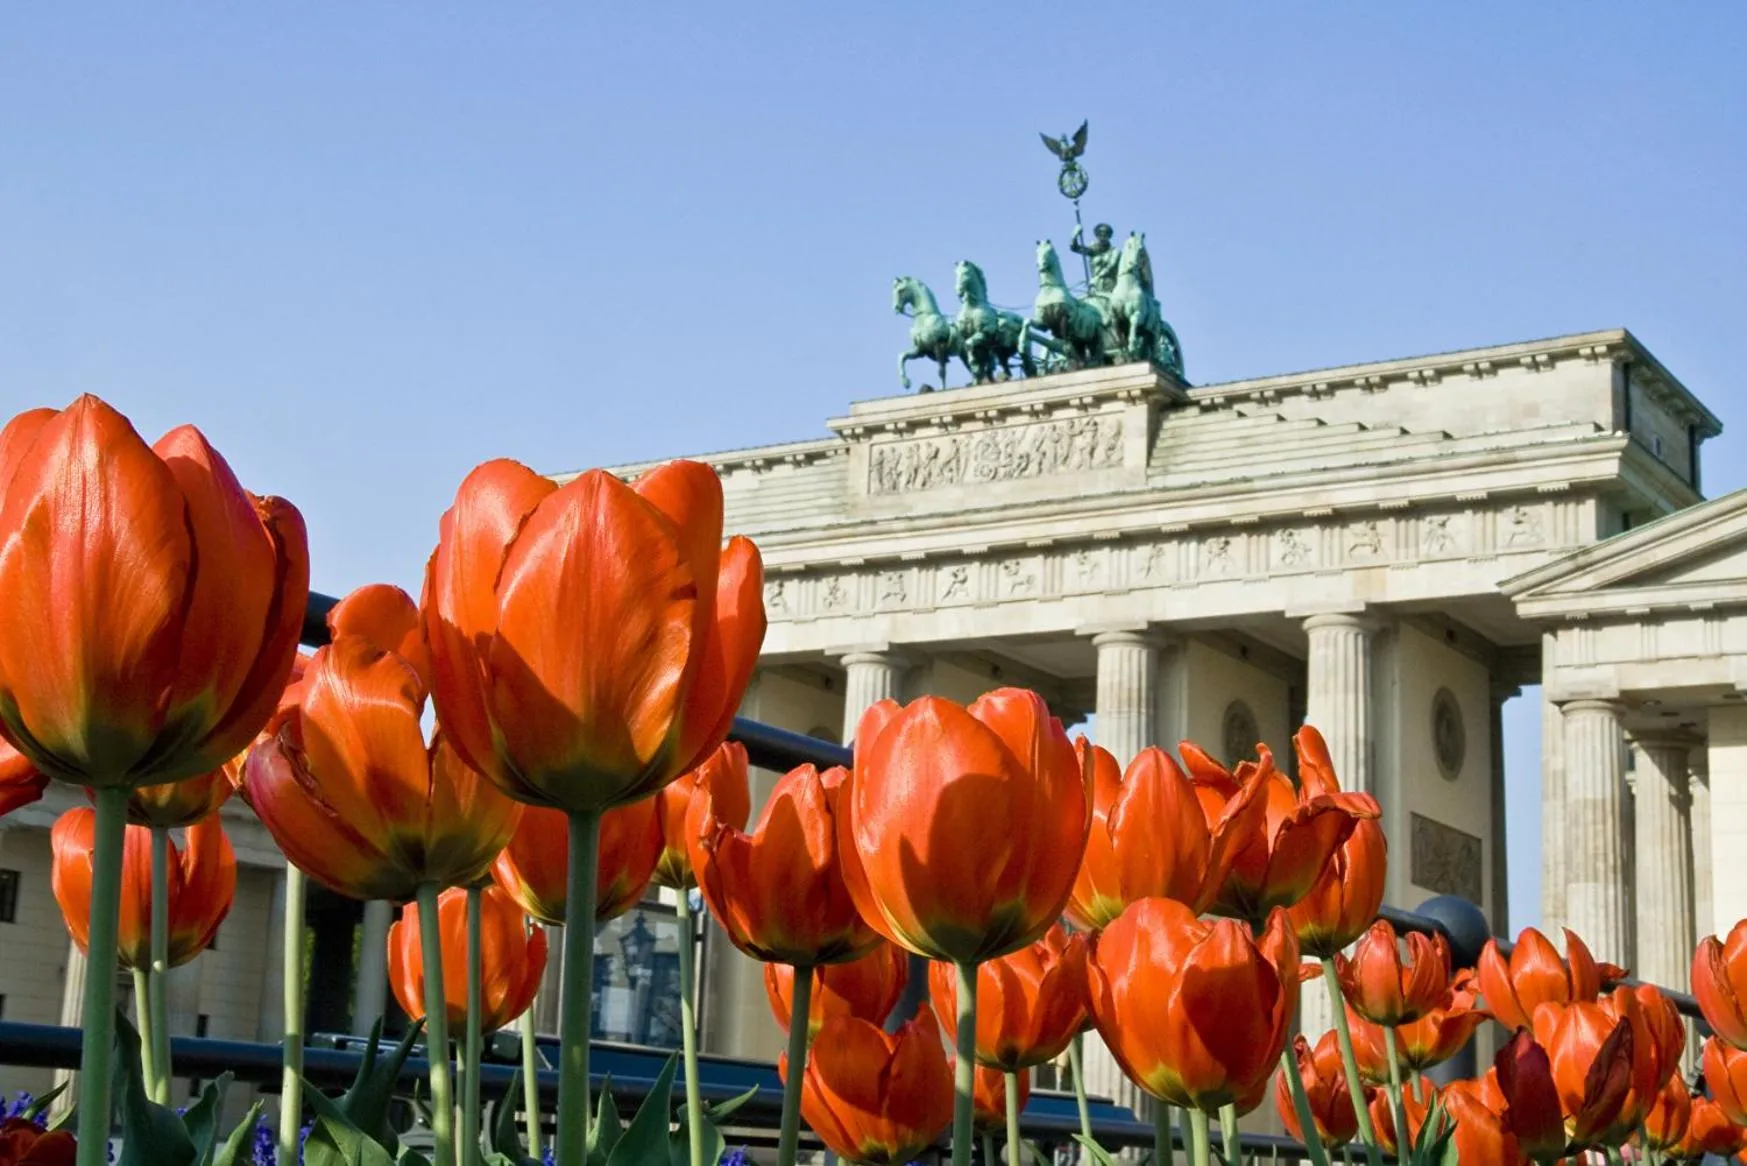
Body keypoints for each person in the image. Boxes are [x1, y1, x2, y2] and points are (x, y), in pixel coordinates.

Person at [1070, 222, 1120, 296]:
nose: (1102, 237)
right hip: (1095, 286)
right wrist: (1074, 236)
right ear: (1097, 236)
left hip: (1111, 286)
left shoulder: (1115, 251)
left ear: (1109, 236)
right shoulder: (1093, 250)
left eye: (1105, 235)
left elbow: (1111, 266)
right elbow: (1075, 248)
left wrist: (1097, 278)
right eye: (1100, 235)